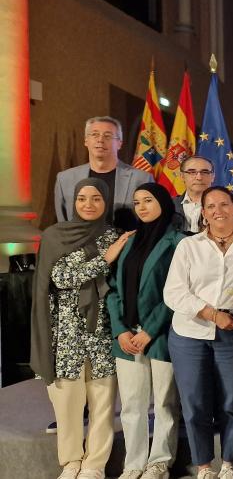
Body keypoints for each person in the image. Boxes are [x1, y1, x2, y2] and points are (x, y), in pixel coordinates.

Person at [31, 178, 131, 479]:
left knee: (103, 399)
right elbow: (61, 278)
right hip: (65, 329)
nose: (89, 204)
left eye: (97, 198)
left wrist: (109, 257)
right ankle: (71, 460)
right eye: (82, 198)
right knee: (67, 400)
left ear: (106, 203)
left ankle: (94, 464)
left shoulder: (113, 235)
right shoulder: (54, 236)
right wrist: (104, 260)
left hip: (102, 327)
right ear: (73, 202)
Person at [164, 186, 233, 479]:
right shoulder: (189, 246)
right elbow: (173, 292)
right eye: (210, 206)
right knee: (195, 404)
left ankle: (229, 462)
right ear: (203, 213)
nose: (218, 211)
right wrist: (212, 314)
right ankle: (204, 465)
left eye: (223, 204)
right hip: (189, 335)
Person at [107, 184, 185, 479]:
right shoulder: (128, 241)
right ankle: (134, 463)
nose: (141, 207)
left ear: (163, 203)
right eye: (137, 202)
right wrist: (120, 331)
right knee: (131, 404)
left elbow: (175, 293)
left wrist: (150, 330)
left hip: (161, 334)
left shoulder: (177, 242)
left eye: (148, 200)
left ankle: (159, 463)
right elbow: (112, 288)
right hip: (127, 336)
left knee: (164, 402)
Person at [55, 116, 153, 222]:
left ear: (119, 143)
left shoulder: (142, 179)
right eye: (95, 134)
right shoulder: (64, 179)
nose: (100, 140)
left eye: (107, 136)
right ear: (86, 141)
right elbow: (63, 224)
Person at [173, 156, 216, 233]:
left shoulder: (226, 206)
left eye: (205, 172)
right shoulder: (169, 205)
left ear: (213, 176)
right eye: (192, 172)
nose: (199, 177)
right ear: (182, 176)